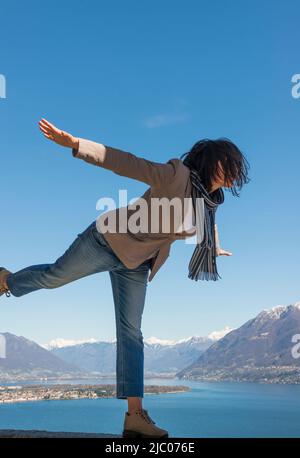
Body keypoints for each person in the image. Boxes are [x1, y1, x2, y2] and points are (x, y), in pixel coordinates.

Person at [0, 119, 250, 438]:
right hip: (107, 241)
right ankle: (6, 280)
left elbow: (204, 226)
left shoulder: (210, 204)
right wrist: (76, 144)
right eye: (228, 164)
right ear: (212, 161)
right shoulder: (177, 175)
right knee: (54, 277)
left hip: (137, 262)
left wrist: (214, 246)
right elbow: (127, 163)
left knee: (132, 335)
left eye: (235, 167)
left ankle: (135, 416)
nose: (232, 172)